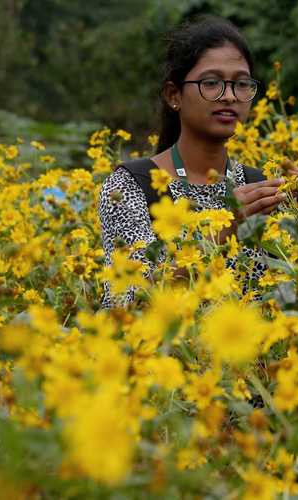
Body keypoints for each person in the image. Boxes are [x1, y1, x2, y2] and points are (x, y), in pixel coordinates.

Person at [98, 16, 284, 307]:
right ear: (174, 95)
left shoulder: (260, 188)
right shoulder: (132, 186)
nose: (229, 96)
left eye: (241, 84)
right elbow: (126, 304)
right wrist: (224, 230)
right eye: (211, 83)